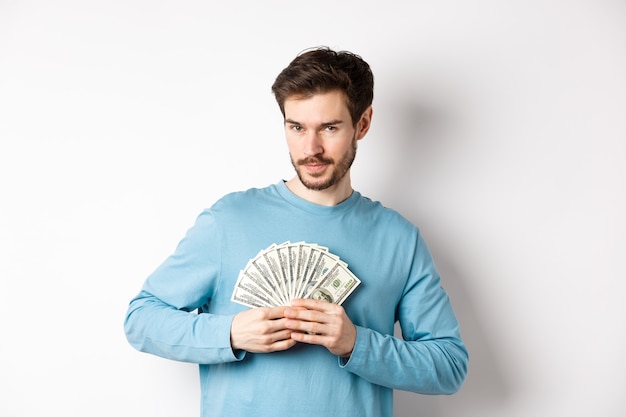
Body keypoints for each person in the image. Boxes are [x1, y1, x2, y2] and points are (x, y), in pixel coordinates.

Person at [124, 46, 468, 417]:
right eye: (297, 127)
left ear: (363, 124)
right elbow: (141, 319)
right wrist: (230, 334)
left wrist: (356, 343)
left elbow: (448, 366)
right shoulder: (229, 220)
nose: (310, 149)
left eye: (330, 128)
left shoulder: (398, 238)